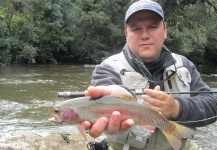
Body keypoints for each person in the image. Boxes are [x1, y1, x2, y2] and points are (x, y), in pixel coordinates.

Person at [82, 0, 217, 149]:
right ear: (126, 33)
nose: (145, 35)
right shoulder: (107, 68)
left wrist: (177, 108)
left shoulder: (185, 65)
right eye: (136, 29)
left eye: (152, 27)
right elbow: (104, 89)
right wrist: (118, 96)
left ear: (165, 30)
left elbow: (212, 106)